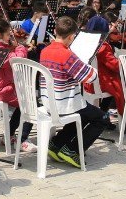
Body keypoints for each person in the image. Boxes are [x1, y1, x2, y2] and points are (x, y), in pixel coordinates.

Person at [38, 16, 105, 168]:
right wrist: (88, 65)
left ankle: (56, 144)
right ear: (71, 36)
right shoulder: (67, 55)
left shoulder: (45, 51)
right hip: (64, 103)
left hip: (49, 101)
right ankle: (72, 150)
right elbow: (90, 77)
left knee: (85, 113)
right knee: (101, 118)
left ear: (55, 31)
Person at [0, 20, 35, 152]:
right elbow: (17, 59)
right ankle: (21, 139)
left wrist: (13, 45)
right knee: (30, 104)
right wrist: (20, 46)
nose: (10, 37)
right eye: (8, 35)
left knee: (25, 101)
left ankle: (9, 134)